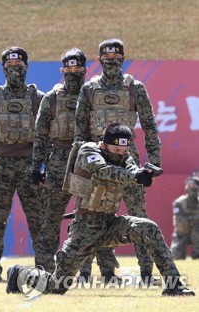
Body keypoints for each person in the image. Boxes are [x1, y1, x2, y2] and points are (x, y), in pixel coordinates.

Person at [6, 123, 194, 297]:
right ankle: (19, 273)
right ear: (104, 145)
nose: (120, 154)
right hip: (85, 228)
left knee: (148, 228)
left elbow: (130, 171)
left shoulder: (125, 158)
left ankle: (174, 285)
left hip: (111, 223)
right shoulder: (88, 151)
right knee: (57, 286)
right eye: (116, 150)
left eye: (124, 150)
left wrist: (145, 175)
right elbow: (102, 170)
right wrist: (135, 175)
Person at [74, 38, 161, 283]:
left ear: (122, 59)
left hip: (127, 162)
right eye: (107, 59)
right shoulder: (89, 89)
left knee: (139, 216)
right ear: (100, 60)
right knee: (90, 216)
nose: (111, 63)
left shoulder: (136, 88)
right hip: (97, 163)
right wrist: (79, 166)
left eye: (115, 59)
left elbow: (150, 127)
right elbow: (80, 132)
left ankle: (146, 272)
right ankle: (83, 272)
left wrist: (153, 161)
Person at [0, 47, 43, 282]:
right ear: (4, 69)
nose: (15, 71)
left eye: (19, 67)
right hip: (2, 167)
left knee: (38, 220)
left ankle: (45, 268)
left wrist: (41, 169)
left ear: (26, 68)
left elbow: (46, 138)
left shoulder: (37, 98)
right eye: (10, 67)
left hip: (29, 166)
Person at [32, 48, 87, 273]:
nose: (73, 73)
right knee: (50, 218)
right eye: (69, 68)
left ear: (85, 69)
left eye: (78, 68)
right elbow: (40, 134)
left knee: (91, 217)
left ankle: (87, 270)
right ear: (62, 70)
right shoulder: (52, 98)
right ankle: (44, 268)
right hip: (58, 162)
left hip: (86, 162)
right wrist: (37, 167)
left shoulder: (93, 94)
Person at [170, 174, 199, 259]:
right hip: (181, 234)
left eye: (194, 188)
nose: (192, 190)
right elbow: (180, 220)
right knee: (177, 257)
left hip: (197, 233)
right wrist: (196, 218)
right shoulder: (179, 203)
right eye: (190, 187)